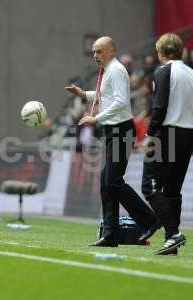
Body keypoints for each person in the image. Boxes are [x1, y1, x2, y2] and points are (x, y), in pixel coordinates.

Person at [66, 36, 158, 247]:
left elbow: (120, 102)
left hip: (121, 131)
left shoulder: (116, 70)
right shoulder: (110, 70)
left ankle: (149, 220)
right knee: (107, 183)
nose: (96, 55)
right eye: (94, 52)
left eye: (99, 51)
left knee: (113, 182)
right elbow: (105, 95)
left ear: (112, 52)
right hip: (113, 131)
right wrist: (83, 94)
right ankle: (110, 234)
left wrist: (95, 118)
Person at [142, 33, 193, 255]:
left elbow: (159, 106)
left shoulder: (164, 71)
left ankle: (172, 233)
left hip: (167, 133)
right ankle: (171, 243)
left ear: (161, 51)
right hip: (190, 134)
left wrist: (149, 135)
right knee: (173, 190)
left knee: (150, 187)